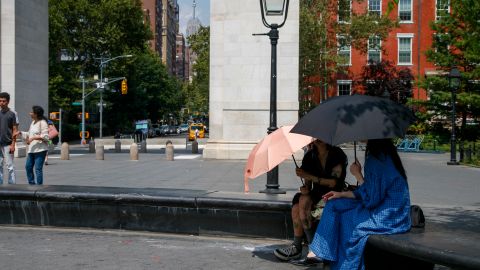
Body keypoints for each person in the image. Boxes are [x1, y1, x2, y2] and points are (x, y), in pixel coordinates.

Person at [308, 139, 411, 270]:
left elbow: (371, 199)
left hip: (387, 216)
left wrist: (357, 175)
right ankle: (322, 251)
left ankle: (344, 265)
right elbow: (370, 192)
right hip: (392, 212)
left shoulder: (377, 160)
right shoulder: (385, 155)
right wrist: (341, 194)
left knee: (347, 220)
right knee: (334, 203)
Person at [274, 139, 347, 262]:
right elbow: (307, 186)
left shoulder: (337, 154)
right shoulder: (310, 156)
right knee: (298, 204)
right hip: (317, 194)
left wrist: (309, 176)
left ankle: (314, 249)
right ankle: (298, 247)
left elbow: (333, 182)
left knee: (303, 203)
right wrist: (305, 188)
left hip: (334, 194)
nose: (317, 139)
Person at [22, 106, 49, 185]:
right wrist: (20, 133)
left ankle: (39, 186)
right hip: (32, 149)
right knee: (28, 167)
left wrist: (33, 138)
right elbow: (29, 133)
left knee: (38, 169)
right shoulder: (33, 122)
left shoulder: (42, 122)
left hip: (40, 150)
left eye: (31, 112)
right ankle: (31, 184)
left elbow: (46, 136)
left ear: (36, 114)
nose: (30, 113)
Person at [0, 92, 19, 184]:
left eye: (3, 101)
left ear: (8, 102)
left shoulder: (12, 114)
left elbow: (15, 130)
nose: (1, 103)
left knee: (10, 166)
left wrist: (13, 144)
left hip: (8, 143)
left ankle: (12, 186)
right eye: (0, 101)